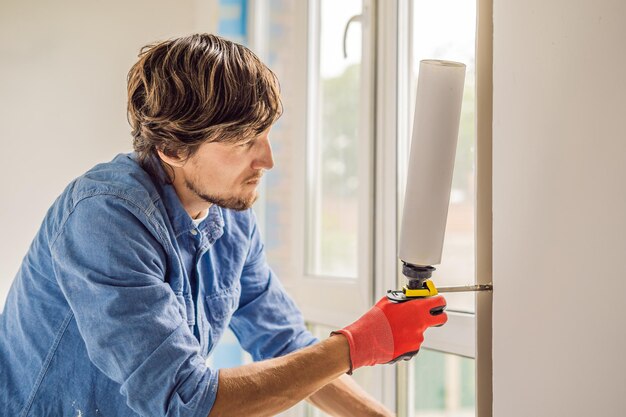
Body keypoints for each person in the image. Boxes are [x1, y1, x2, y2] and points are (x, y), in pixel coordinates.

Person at [0, 33, 447, 417]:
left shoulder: (230, 221)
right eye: (242, 140)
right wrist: (356, 345)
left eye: (267, 133)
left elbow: (285, 345)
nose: (267, 160)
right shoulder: (104, 219)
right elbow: (184, 401)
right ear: (172, 148)